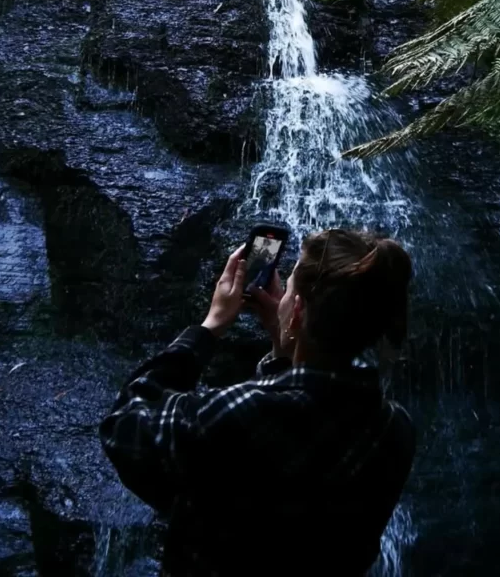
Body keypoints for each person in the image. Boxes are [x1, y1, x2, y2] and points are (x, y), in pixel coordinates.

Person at [100, 227, 416, 576]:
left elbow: (124, 426)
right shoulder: (395, 430)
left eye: (289, 291)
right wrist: (285, 348)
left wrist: (210, 326)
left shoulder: (244, 412)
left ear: (296, 310)